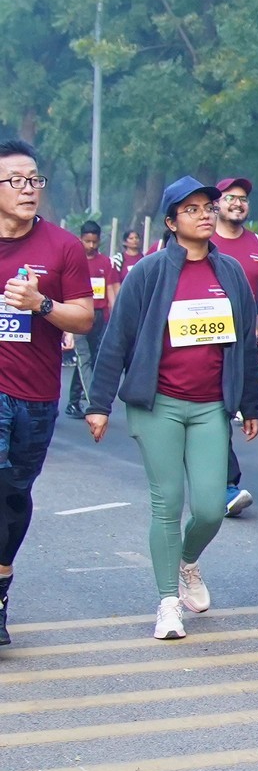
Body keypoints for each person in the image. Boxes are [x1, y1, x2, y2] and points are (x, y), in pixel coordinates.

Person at [84, 178, 258, 640]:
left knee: (210, 507)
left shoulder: (231, 273)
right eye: (192, 209)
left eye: (209, 207)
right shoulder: (148, 272)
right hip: (157, 404)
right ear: (170, 221)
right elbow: (117, 339)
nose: (205, 215)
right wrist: (99, 404)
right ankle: (167, 604)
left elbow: (246, 344)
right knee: (167, 503)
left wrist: (251, 402)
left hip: (210, 408)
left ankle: (186, 561)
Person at [0, 141, 95, 646]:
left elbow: (84, 318)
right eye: (15, 181)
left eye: (33, 180)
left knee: (14, 495)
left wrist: (41, 304)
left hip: (37, 395)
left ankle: (1, 586)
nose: (27, 189)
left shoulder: (63, 247)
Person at [212, 177, 258, 518]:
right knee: (211, 413)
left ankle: (219, 483)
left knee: (222, 413)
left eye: (243, 199)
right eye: (230, 198)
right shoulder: (200, 237)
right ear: (216, 204)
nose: (237, 203)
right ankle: (224, 486)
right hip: (198, 344)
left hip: (240, 347)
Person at [66, 220, 121, 419]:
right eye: (87, 241)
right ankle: (93, 403)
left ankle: (73, 402)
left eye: (94, 242)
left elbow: (112, 293)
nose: (91, 245)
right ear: (80, 239)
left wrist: (116, 319)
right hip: (78, 314)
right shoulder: (72, 261)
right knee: (84, 358)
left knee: (93, 360)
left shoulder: (105, 263)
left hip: (99, 317)